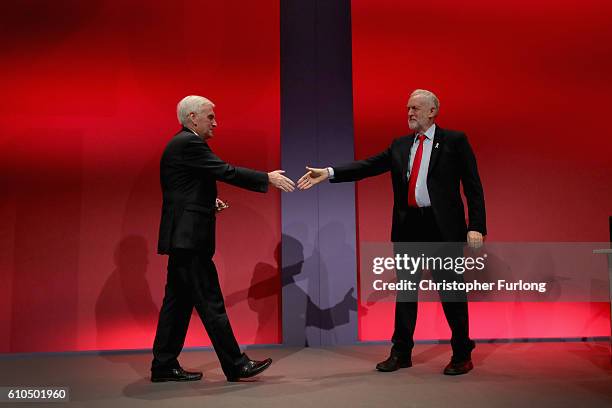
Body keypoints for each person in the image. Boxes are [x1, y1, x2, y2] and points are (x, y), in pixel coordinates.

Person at [297, 89, 486, 375]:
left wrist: (476, 227)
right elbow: (369, 165)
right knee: (406, 292)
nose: (409, 113)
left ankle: (462, 352)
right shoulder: (400, 145)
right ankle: (401, 352)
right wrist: (330, 172)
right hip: (409, 227)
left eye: (415, 108)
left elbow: (473, 187)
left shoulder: (454, 141)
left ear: (432, 111)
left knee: (451, 292)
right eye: (407, 109)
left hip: (442, 230)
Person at [151, 95, 295, 382]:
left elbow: (182, 189)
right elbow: (224, 170)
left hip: (183, 237)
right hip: (190, 240)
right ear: (193, 117)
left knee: (177, 304)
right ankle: (235, 363)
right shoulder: (189, 143)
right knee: (210, 301)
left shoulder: (180, 145)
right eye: (210, 117)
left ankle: (164, 364)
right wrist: (267, 178)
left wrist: (208, 203)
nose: (216, 123)